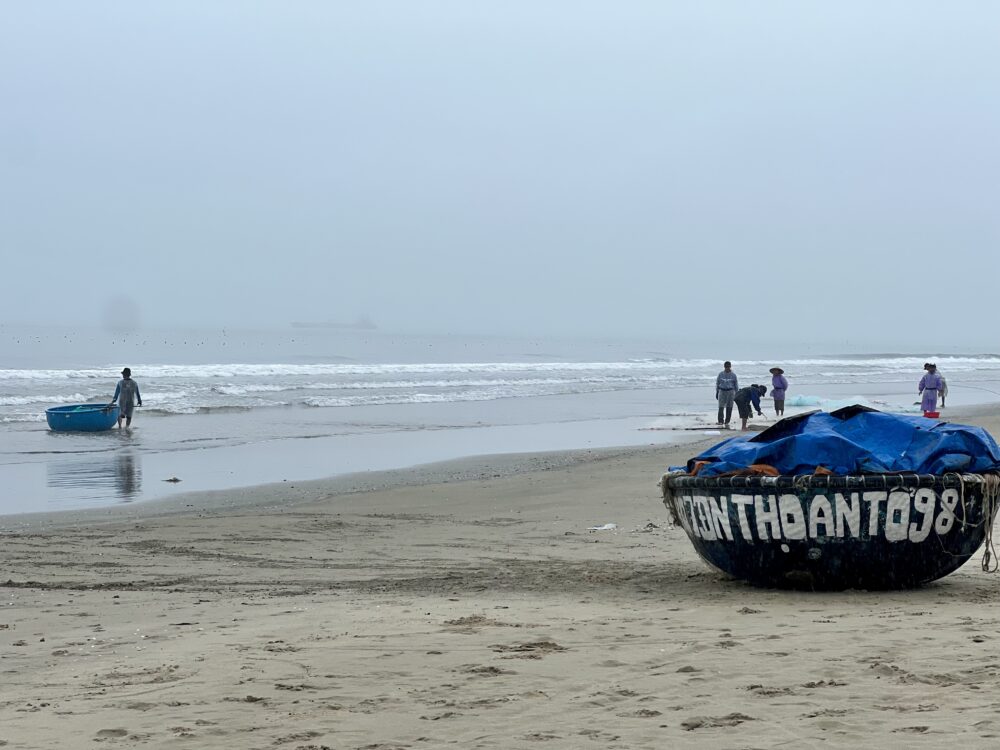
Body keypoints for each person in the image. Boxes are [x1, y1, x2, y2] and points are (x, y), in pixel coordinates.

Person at [715, 361, 738, 427]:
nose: (727, 368)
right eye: (726, 367)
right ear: (724, 367)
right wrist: (717, 392)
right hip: (722, 391)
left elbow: (736, 385)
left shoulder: (733, 375)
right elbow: (717, 383)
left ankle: (727, 421)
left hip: (731, 391)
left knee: (729, 406)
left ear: (730, 367)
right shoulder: (720, 374)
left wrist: (737, 393)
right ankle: (720, 421)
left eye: (728, 367)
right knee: (721, 406)